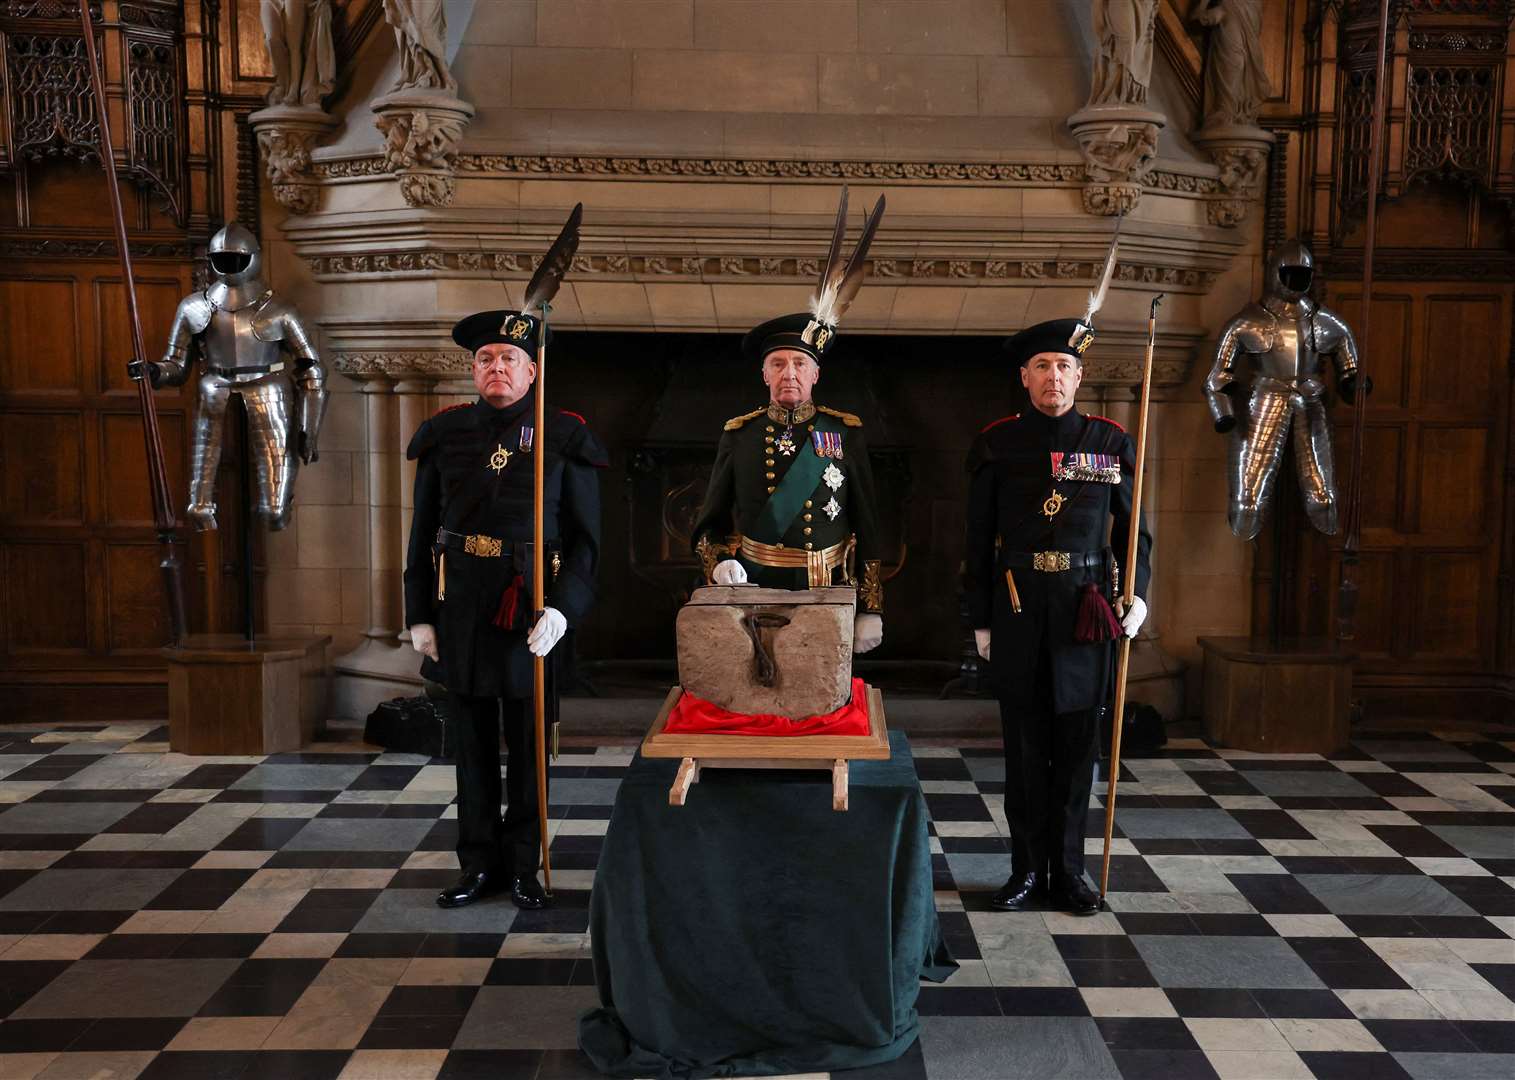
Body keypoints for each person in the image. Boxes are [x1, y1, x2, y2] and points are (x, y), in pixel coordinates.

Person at [403, 308, 605, 910]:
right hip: (461, 604)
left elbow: (587, 541)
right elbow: (421, 534)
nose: (498, 368)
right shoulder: (444, 433)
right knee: (470, 747)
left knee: (527, 744)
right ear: (473, 369)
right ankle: (477, 865)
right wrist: (419, 615)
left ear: (532, 370)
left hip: (532, 607)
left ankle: (523, 865)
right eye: (486, 359)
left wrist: (564, 610)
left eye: (509, 359)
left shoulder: (562, 434)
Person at [964, 316, 1152, 916]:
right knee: (1023, 752)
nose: (1054, 377)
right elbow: (976, 539)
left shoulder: (1110, 441)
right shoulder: (997, 442)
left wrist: (1138, 594)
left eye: (1065, 367)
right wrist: (980, 620)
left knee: (1076, 751)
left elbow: (1135, 532)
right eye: (1042, 366)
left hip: (1085, 610)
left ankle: (1068, 873)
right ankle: (1024, 871)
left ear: (1080, 376)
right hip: (1018, 606)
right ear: (1025, 377)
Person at [690, 189, 888, 652]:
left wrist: (872, 606)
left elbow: (869, 525)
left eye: (799, 364)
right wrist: (718, 563)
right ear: (764, 373)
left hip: (829, 591)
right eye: (778, 364)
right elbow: (708, 522)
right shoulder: (739, 434)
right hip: (755, 586)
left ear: (816, 373)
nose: (789, 373)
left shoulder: (843, 432)